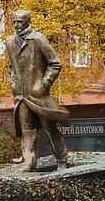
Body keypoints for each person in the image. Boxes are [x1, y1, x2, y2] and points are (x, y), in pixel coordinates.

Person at [5, 9, 70, 172]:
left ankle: (62, 159)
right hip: (21, 95)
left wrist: (43, 85)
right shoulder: (10, 41)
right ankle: (29, 162)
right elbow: (12, 66)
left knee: (50, 128)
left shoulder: (38, 39)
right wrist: (13, 83)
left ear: (28, 21)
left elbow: (55, 64)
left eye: (19, 21)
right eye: (14, 22)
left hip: (39, 95)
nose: (16, 25)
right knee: (27, 130)